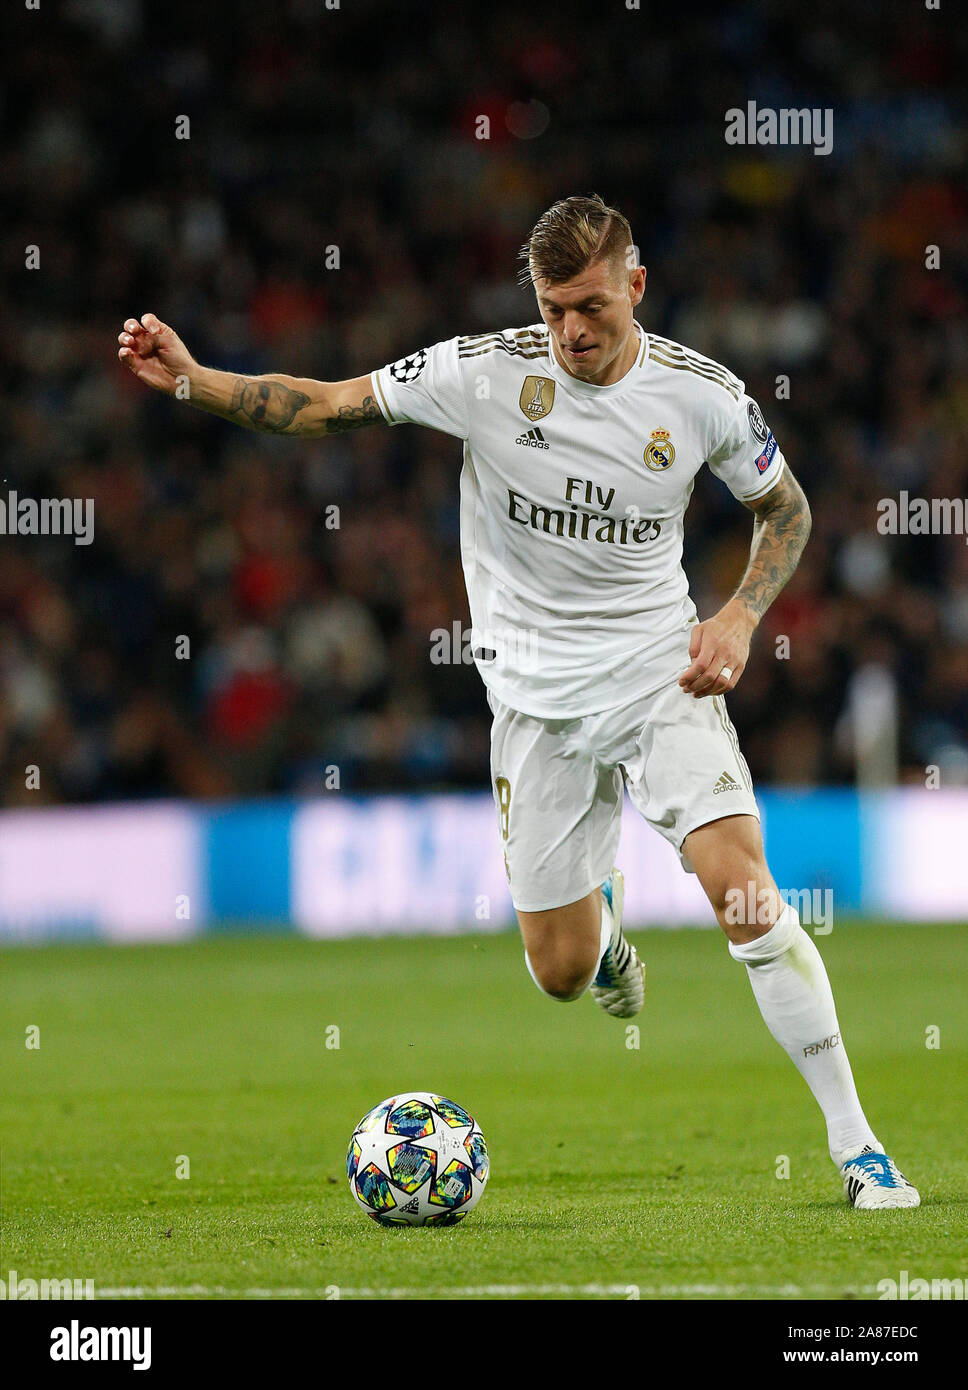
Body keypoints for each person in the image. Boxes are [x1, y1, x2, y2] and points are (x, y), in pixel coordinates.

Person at [118, 193, 918, 1210]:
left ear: (633, 285)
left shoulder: (700, 396)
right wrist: (194, 382)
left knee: (742, 891)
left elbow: (784, 509)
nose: (571, 330)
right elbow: (324, 402)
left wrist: (737, 618)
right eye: (551, 309)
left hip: (654, 677)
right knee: (560, 970)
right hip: (533, 703)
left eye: (589, 305)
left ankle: (858, 1149)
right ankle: (606, 930)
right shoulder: (484, 372)